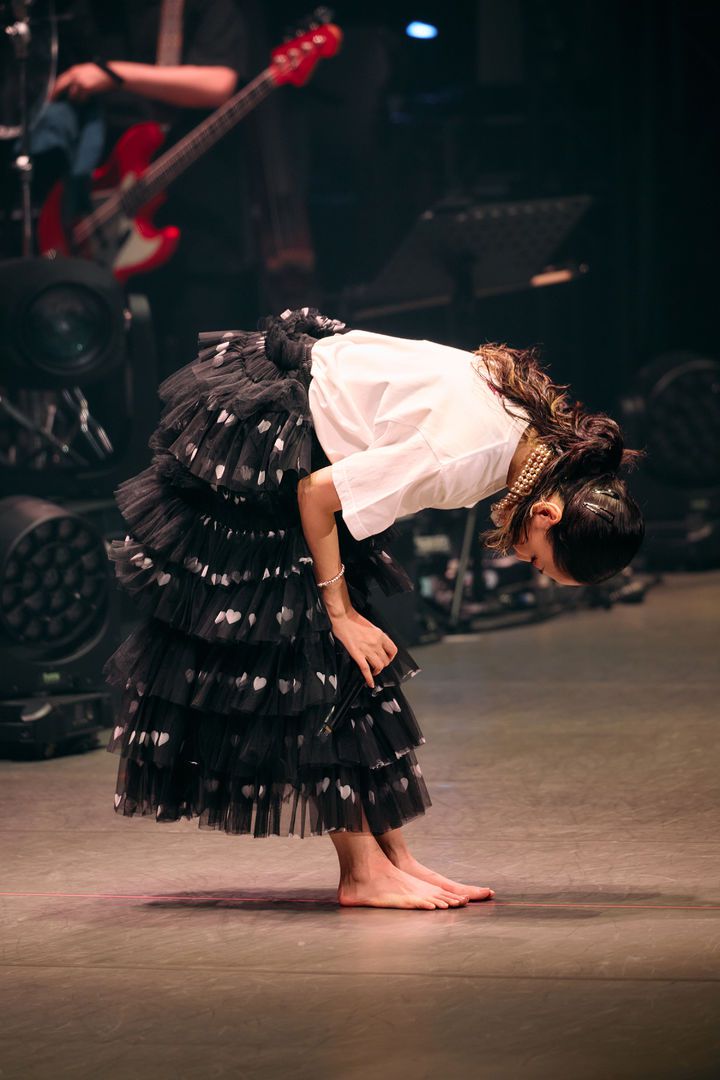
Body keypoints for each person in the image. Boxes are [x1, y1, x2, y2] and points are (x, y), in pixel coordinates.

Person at [105, 308, 644, 910]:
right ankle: (361, 873)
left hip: (311, 421)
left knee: (356, 659)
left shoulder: (535, 437)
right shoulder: (462, 457)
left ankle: (394, 860)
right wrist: (336, 611)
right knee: (311, 646)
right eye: (543, 563)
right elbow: (315, 494)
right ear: (549, 514)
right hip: (272, 435)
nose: (529, 566)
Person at [49, 0, 259, 376]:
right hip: (104, 229)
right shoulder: (86, 13)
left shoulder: (202, 9)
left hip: (200, 225)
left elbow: (219, 82)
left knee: (202, 376)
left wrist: (112, 74)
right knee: (116, 377)